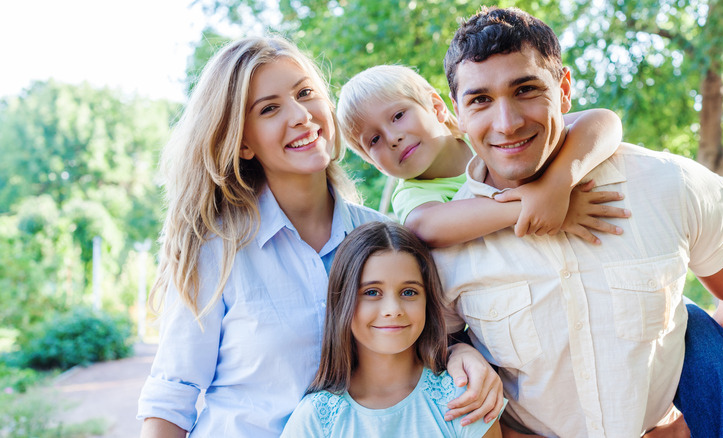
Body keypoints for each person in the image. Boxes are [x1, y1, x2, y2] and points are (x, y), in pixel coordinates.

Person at [136, 36, 503, 438]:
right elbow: (172, 394)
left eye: (305, 93)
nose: (300, 115)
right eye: (270, 109)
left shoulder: (383, 238)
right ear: (242, 142)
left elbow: (415, 333)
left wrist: (460, 350)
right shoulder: (215, 250)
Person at [435, 7, 723, 438]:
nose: (508, 122)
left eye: (525, 89)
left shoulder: (671, 185)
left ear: (563, 89)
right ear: (457, 113)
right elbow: (433, 356)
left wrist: (691, 425)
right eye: (480, 99)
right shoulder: (444, 246)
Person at [337, 65, 629, 247]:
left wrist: (556, 186)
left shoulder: (489, 134)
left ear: (437, 107)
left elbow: (602, 121)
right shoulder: (413, 194)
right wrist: (536, 206)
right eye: (374, 140)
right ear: (371, 162)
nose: (393, 138)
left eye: (398, 115)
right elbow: (426, 226)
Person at [281, 221, 506, 437]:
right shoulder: (315, 419)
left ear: (428, 301)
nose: (393, 310)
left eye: (409, 292)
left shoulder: (463, 399)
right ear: (343, 302)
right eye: (371, 292)